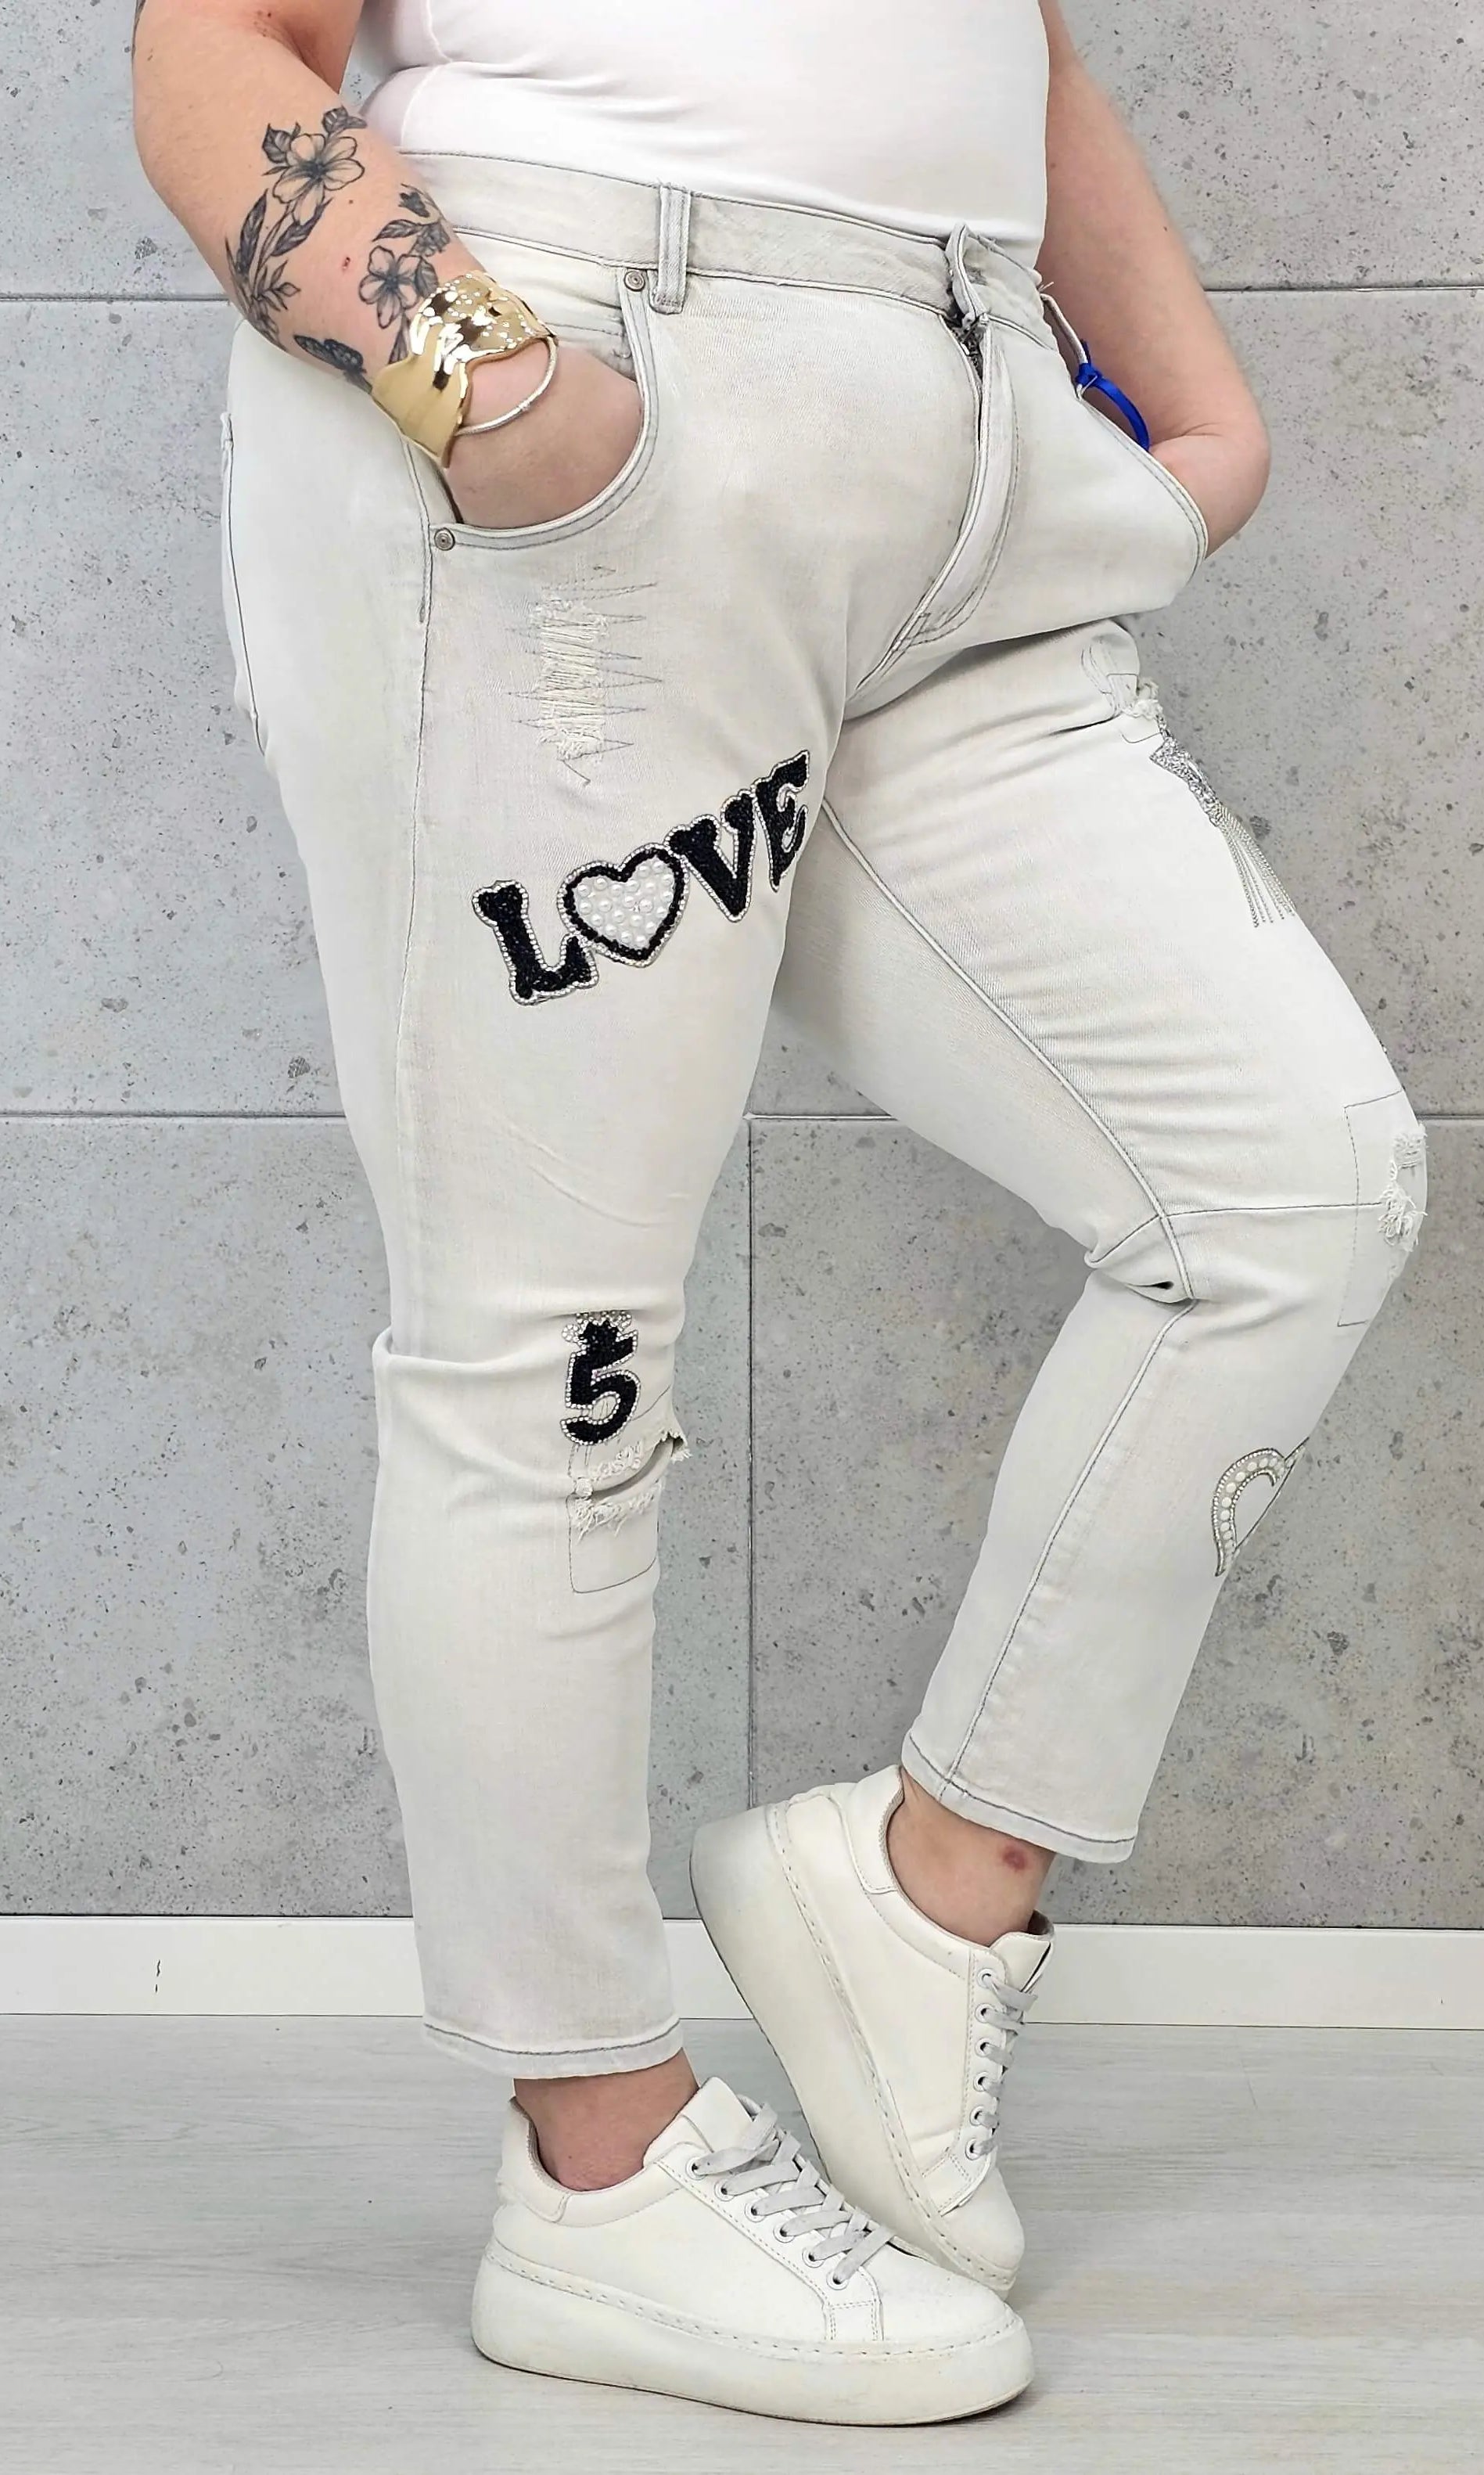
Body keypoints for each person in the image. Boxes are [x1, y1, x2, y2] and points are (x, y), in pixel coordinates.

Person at [132, 0, 1428, 2428]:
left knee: (1283, 1179)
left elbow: (1018, 44)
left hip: (967, 436)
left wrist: (1195, 420)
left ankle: (918, 1900)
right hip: (586, 377)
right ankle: (596, 2165)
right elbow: (218, 42)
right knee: (550, 1345)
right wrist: (495, 395)